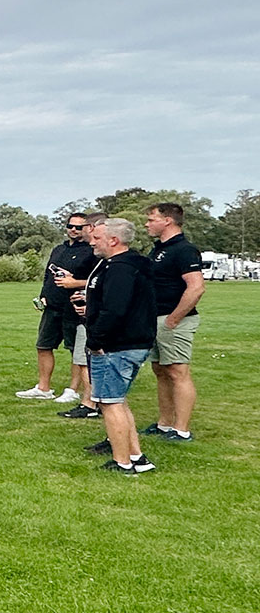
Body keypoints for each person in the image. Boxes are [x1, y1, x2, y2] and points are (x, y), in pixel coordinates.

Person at [76, 217, 157, 473]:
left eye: (97, 237)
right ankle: (137, 458)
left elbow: (115, 310)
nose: (92, 241)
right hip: (128, 342)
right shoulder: (127, 264)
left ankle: (122, 462)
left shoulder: (121, 268)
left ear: (114, 240)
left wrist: (96, 340)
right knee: (118, 401)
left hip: (117, 345)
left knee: (110, 404)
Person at [20, 214, 99, 401]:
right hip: (52, 306)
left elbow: (98, 281)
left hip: (75, 307)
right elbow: (49, 275)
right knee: (43, 345)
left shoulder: (91, 252)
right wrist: (43, 296)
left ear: (87, 228)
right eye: (70, 226)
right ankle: (43, 387)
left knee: (76, 350)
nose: (74, 230)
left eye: (79, 227)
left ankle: (72, 390)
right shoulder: (58, 249)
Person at [144, 202, 205, 443]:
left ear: (167, 220)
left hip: (173, 320)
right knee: (160, 370)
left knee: (178, 372)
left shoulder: (184, 250)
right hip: (155, 317)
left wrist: (174, 318)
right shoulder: (159, 249)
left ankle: (181, 430)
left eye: (151, 219)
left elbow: (196, 287)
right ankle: (164, 424)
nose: (147, 224)